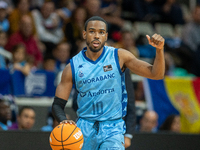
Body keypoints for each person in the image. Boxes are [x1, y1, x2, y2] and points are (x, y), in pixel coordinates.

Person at [52, 16, 165, 150]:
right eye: (92, 31)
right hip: (84, 127)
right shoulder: (72, 67)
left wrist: (159, 50)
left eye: (101, 32)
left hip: (113, 127)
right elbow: (58, 105)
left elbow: (156, 74)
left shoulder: (119, 56)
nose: (96, 36)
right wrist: (63, 119)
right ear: (84, 34)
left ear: (106, 36)